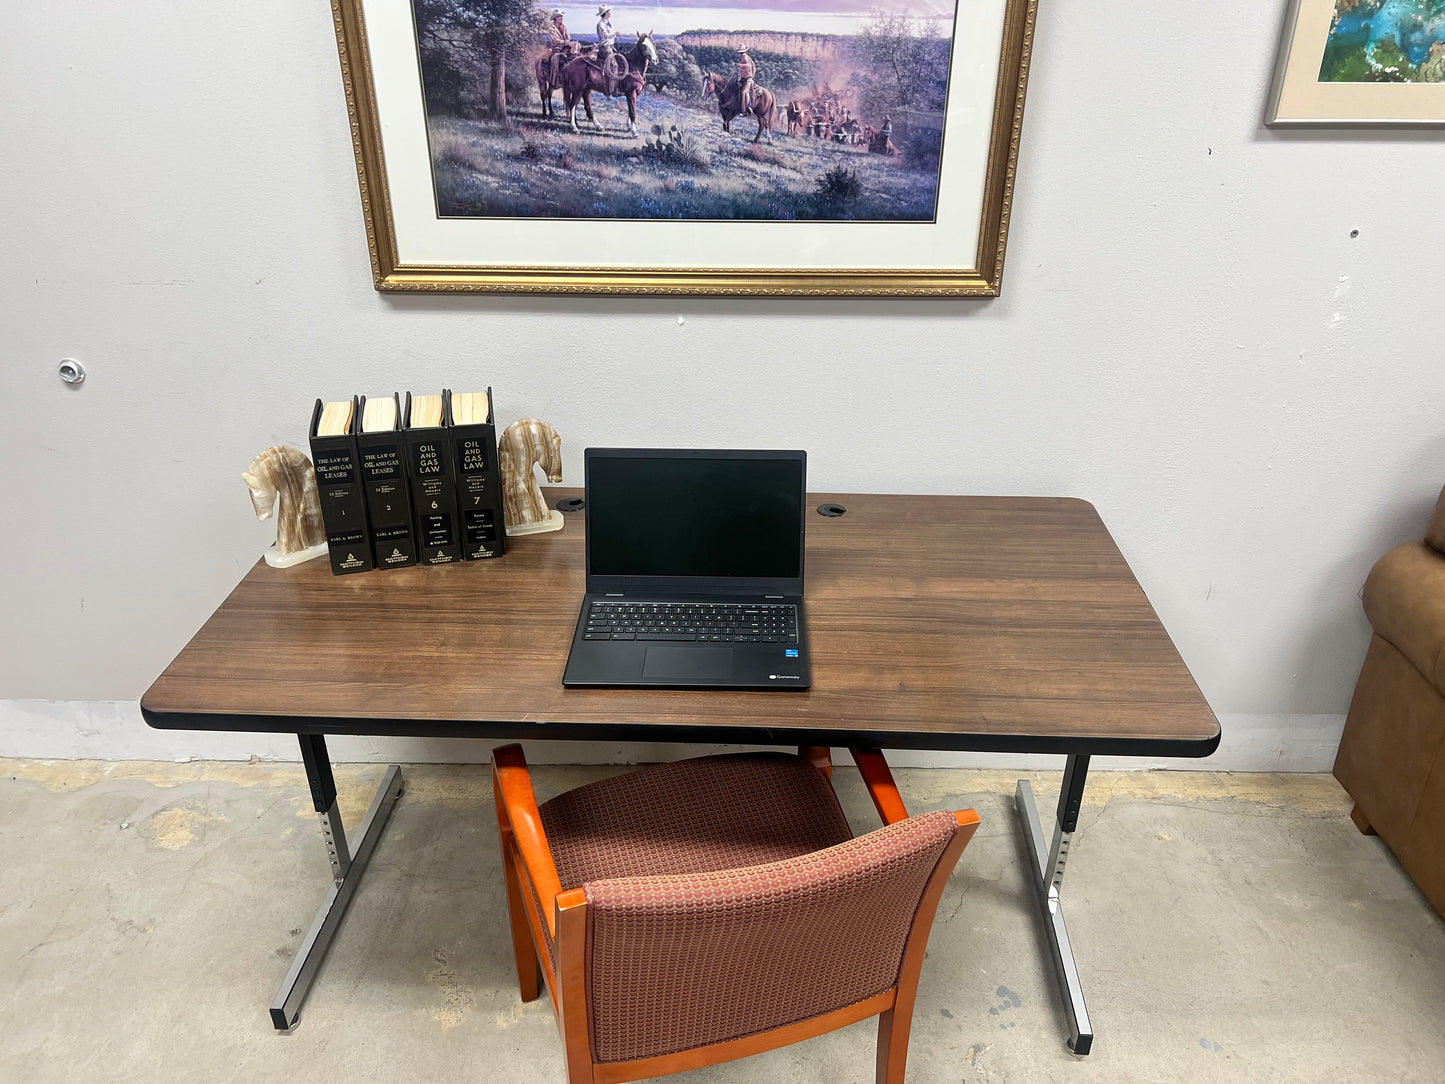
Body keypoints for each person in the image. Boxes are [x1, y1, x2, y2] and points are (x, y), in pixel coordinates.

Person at [547, 9, 572, 86]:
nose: (561, 18)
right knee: (556, 60)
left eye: (561, 16)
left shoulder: (564, 27)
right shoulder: (551, 28)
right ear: (555, 18)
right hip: (556, 48)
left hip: (565, 47)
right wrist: (564, 42)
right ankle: (555, 80)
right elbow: (555, 40)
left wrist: (568, 41)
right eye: (559, 16)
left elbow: (568, 36)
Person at [736, 46, 756, 115]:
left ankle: (746, 109)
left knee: (744, 92)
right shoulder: (744, 57)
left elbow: (749, 66)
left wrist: (740, 65)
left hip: (748, 78)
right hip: (743, 78)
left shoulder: (745, 56)